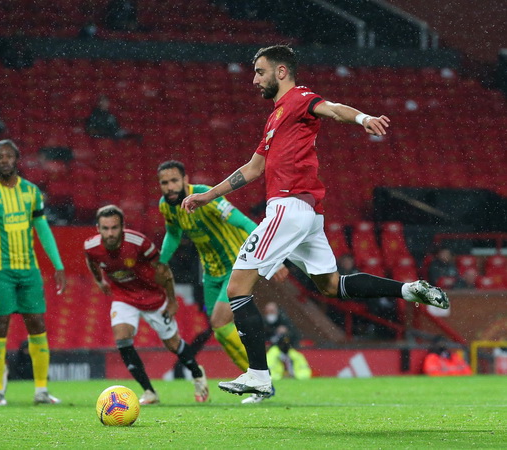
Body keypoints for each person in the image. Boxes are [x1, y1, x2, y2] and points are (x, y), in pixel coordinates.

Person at [182, 44, 450, 398]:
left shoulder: (299, 97)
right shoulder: (276, 117)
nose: (254, 79)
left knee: (236, 289)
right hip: (306, 214)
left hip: (288, 206)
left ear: (281, 72)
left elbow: (334, 110)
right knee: (330, 285)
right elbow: (253, 168)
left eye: (260, 71)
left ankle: (259, 374)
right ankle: (408, 290)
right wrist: (207, 195)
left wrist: (363, 118)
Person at [158, 160, 288, 377]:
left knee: (220, 320)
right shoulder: (166, 206)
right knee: (219, 330)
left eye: (174, 181)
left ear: (185, 180)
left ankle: (264, 372)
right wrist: (161, 262)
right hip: (210, 273)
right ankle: (256, 379)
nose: (170, 187)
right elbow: (173, 234)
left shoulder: (206, 197)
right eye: (164, 183)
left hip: (236, 265)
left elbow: (244, 223)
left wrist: (272, 258)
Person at [0, 139, 66, 406]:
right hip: (0, 272)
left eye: (9, 156)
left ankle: (41, 391)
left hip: (29, 271)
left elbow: (43, 229)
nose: (4, 160)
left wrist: (57, 264)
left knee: (37, 325)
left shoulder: (32, 192)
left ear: (17, 158)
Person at [84, 204, 209, 405]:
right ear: (98, 229)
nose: (110, 233)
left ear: (122, 227)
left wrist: (172, 300)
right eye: (105, 228)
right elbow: (91, 261)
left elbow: (163, 269)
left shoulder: (138, 242)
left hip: (153, 297)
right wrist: (100, 281)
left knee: (173, 344)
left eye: (114, 228)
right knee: (122, 339)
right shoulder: (91, 247)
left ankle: (197, 373)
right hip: (123, 296)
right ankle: (149, 392)